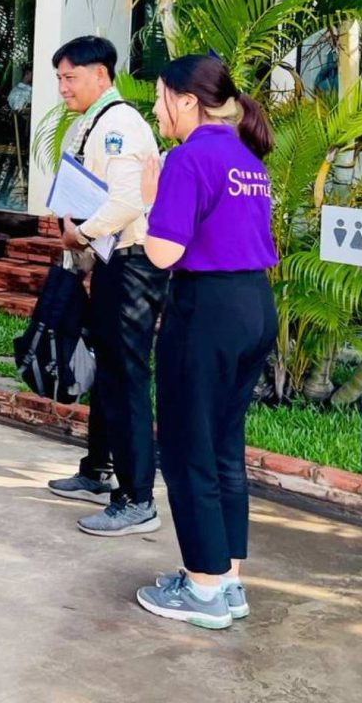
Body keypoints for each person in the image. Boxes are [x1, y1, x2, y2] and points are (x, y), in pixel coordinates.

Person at [134, 54, 278, 630]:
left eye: (162, 97)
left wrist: (150, 199)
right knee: (224, 449)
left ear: (187, 100)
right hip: (254, 308)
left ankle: (200, 590)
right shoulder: (246, 155)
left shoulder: (189, 157)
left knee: (189, 446)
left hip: (208, 311)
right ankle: (227, 580)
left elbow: (163, 252)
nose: (156, 107)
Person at [45, 36, 169, 536]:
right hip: (110, 260)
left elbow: (126, 203)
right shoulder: (92, 122)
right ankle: (99, 468)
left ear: (101, 76)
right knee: (107, 369)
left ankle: (137, 498)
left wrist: (81, 233)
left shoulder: (119, 125)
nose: (62, 88)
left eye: (70, 78)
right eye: (58, 78)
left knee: (125, 377)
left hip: (131, 264)